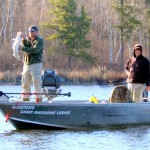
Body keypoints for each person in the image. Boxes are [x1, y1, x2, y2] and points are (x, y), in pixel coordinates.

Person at [20, 25, 44, 102]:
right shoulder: (28, 40)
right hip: (26, 65)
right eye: (30, 31)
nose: (31, 33)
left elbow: (34, 50)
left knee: (37, 83)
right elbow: (27, 45)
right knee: (25, 83)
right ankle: (26, 99)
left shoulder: (40, 40)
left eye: (32, 31)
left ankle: (39, 100)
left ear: (37, 32)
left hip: (36, 64)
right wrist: (23, 39)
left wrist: (22, 48)